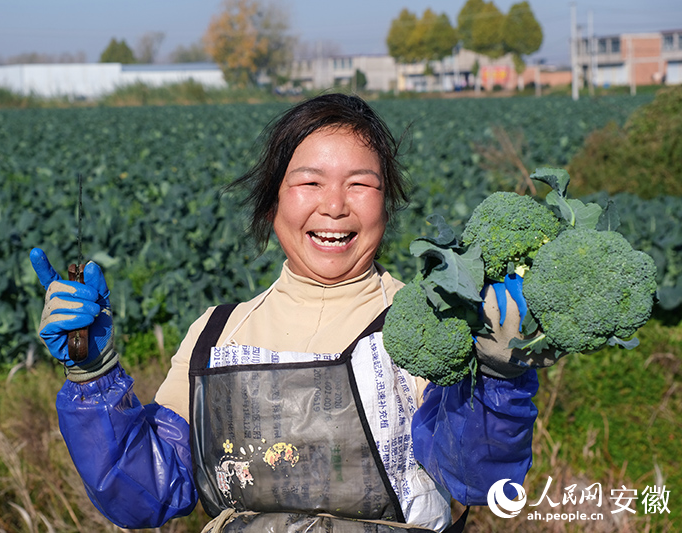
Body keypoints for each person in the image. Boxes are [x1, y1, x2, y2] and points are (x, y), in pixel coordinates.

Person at [30, 93, 540, 532]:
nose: (335, 206)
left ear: (387, 204)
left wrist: (497, 377)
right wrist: (92, 375)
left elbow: (479, 479)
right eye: (310, 183)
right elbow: (143, 493)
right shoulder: (216, 336)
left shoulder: (431, 327)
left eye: (360, 184)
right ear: (273, 200)